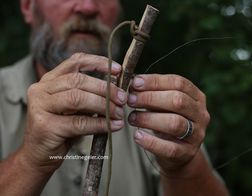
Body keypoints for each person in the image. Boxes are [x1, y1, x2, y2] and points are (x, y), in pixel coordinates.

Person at [0, 0, 229, 195]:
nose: (88, 7)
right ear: (29, 6)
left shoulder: (160, 110)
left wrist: (182, 167)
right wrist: (28, 162)